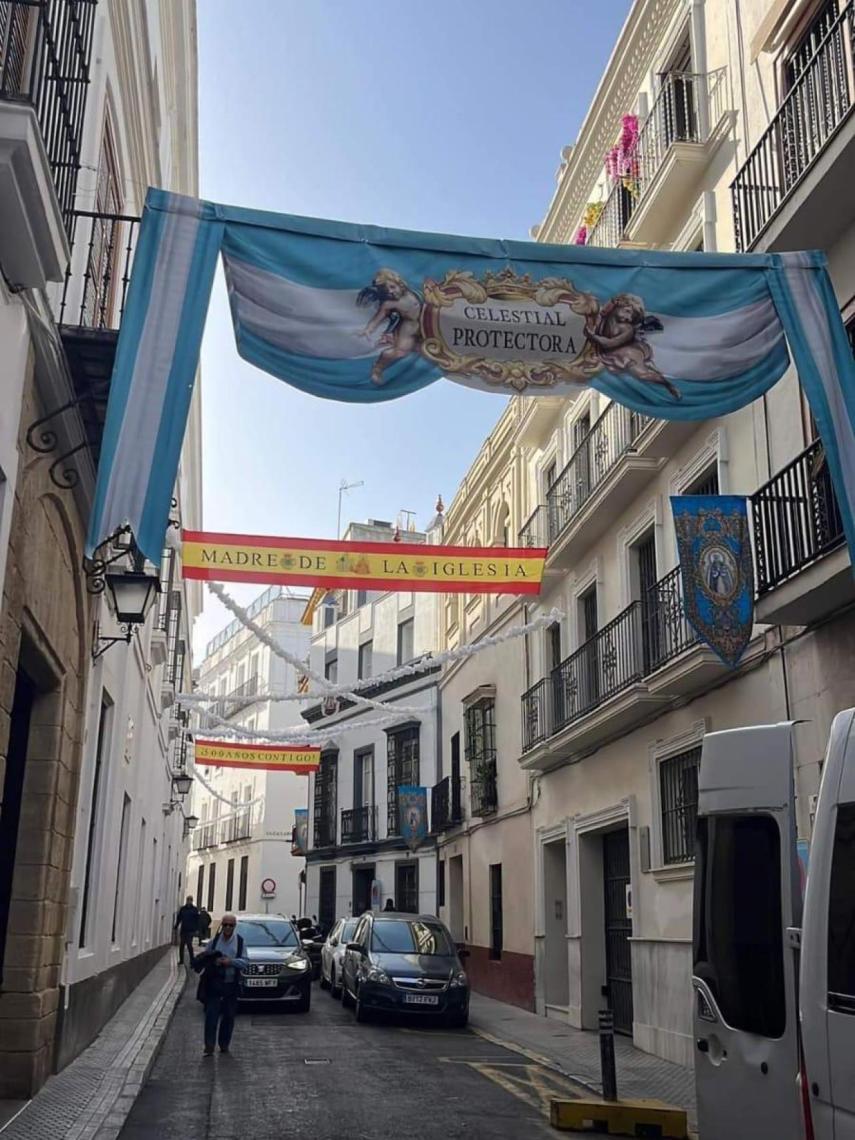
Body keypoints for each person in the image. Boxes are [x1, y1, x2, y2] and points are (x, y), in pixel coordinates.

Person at [192, 914, 248, 1056]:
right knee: (211, 1015)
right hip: (215, 984)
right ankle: (209, 1046)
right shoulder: (215, 941)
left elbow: (245, 962)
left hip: (231, 984)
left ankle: (224, 1045)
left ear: (234, 926)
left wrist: (230, 962)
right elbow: (205, 956)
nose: (228, 928)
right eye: (225, 925)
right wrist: (213, 961)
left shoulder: (240, 942)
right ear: (221, 926)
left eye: (231, 925)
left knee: (229, 1016)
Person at [174, 895, 199, 967]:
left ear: (192, 901)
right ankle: (181, 960)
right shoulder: (183, 909)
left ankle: (192, 959)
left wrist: (197, 929)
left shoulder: (194, 910)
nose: (189, 901)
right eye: (188, 900)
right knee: (181, 945)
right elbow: (179, 918)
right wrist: (176, 926)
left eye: (190, 900)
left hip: (191, 930)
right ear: (186, 901)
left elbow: (197, 920)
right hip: (183, 930)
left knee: (189, 944)